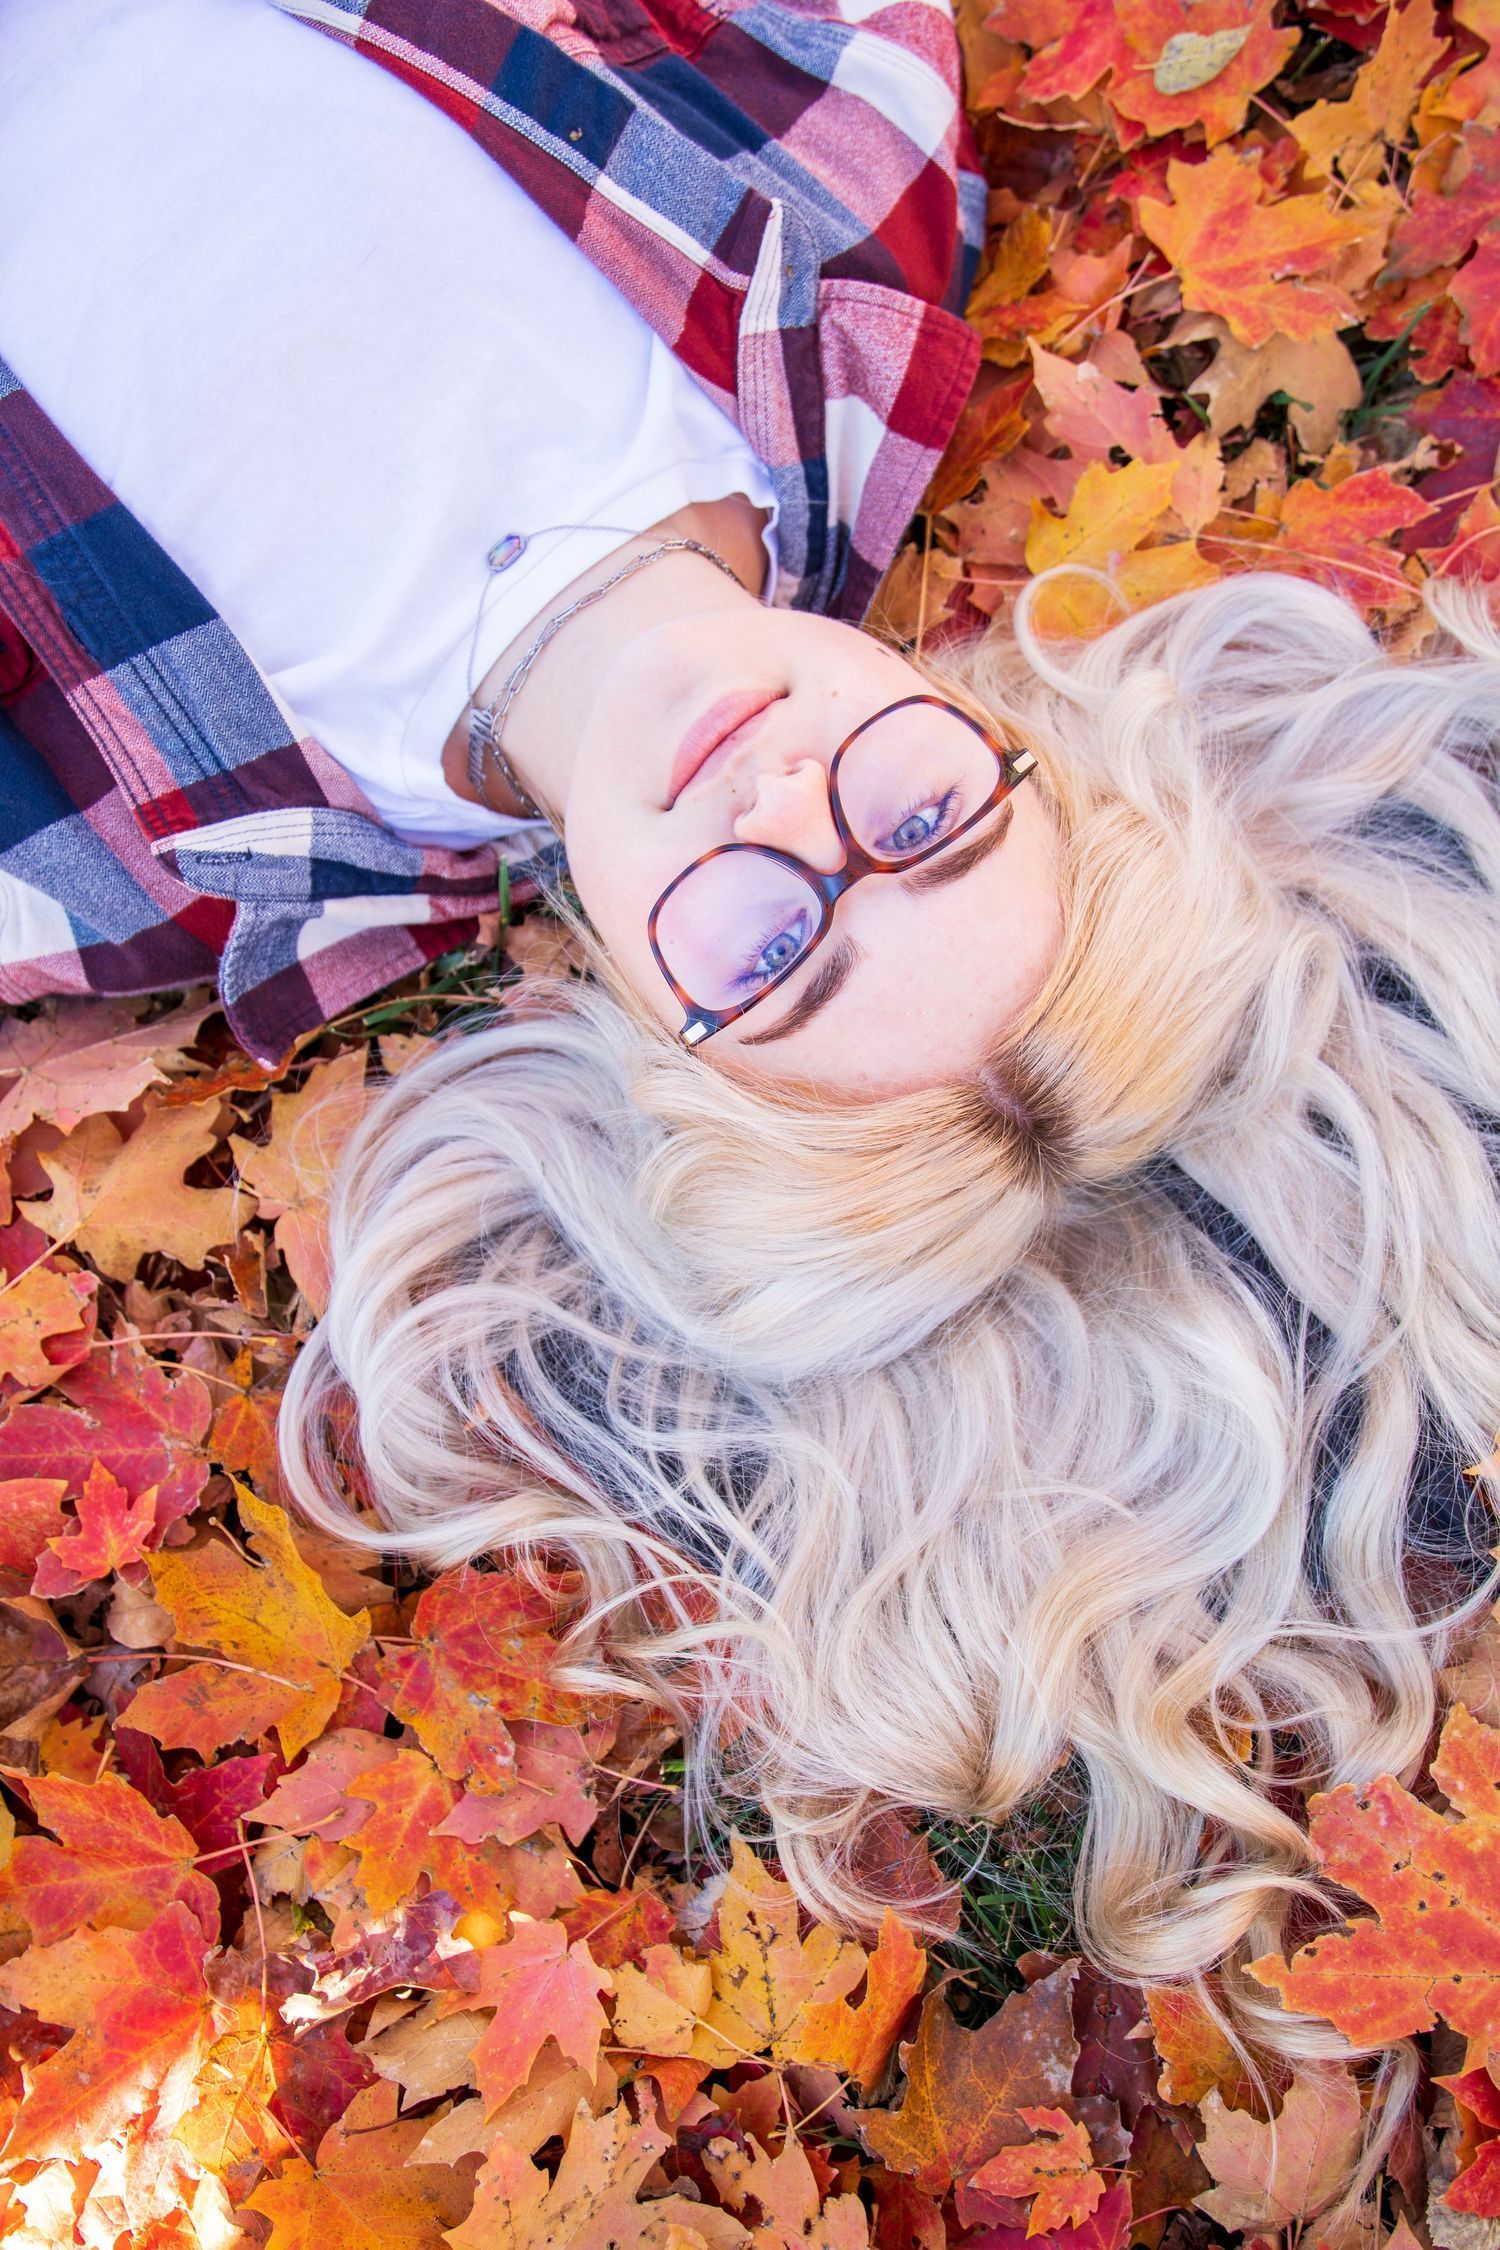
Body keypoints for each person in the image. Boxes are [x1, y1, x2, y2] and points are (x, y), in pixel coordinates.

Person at [2, 0, 1498, 2181]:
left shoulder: (100, 861)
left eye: (771, 955)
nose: (786, 804)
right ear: (1017, 743)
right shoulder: (847, 217)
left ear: (658, 1077)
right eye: (925, 819)